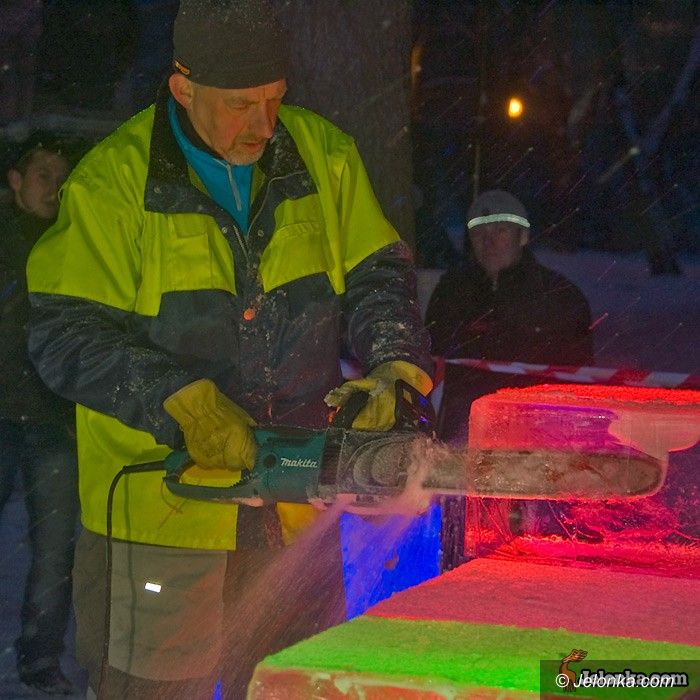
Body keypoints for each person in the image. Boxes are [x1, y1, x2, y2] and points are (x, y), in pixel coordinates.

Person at [26, 1, 433, 697]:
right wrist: (180, 401)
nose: (263, 125)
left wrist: (393, 368)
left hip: (297, 512)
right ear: (183, 88)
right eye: (241, 104)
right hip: (162, 516)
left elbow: (378, 275)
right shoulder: (112, 181)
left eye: (274, 99)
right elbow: (65, 332)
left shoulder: (323, 155)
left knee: (297, 687)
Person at [0, 139, 78, 695]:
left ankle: (40, 658)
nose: (53, 187)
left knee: (55, 549)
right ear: (15, 180)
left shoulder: (72, 245)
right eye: (43, 174)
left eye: (60, 177)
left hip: (53, 419)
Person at [426, 189, 593, 443]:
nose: (489, 242)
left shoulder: (558, 296)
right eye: (479, 234)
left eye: (500, 231)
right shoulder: (452, 291)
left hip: (539, 429)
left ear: (523, 236)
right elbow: (433, 353)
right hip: (463, 429)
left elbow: (576, 373)